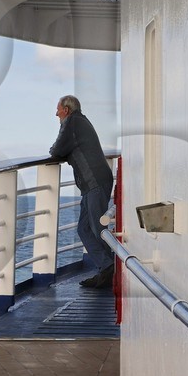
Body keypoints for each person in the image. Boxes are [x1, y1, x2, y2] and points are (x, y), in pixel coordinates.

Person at [48, 94, 115, 288]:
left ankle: (109, 269)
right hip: (91, 183)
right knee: (84, 228)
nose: (56, 114)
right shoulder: (79, 122)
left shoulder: (72, 123)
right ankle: (106, 268)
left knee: (97, 228)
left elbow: (56, 149)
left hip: (94, 182)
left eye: (58, 110)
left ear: (66, 110)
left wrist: (60, 149)